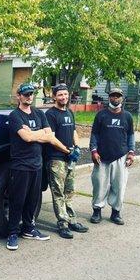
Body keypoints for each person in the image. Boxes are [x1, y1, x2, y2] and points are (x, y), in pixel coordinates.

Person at [6, 83, 70, 250]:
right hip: (21, 165)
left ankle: (28, 229)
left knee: (32, 201)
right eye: (26, 94)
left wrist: (34, 134)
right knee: (17, 200)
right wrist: (39, 134)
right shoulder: (15, 116)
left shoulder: (39, 113)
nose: (29, 97)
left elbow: (50, 136)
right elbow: (26, 138)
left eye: (31, 94)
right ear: (19, 96)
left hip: (37, 164)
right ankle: (12, 233)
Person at [45, 84, 89, 239]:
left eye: (65, 94)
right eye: (60, 95)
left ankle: (72, 220)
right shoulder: (50, 114)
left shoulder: (69, 112)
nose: (63, 97)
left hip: (70, 159)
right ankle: (62, 223)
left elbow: (74, 131)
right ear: (54, 97)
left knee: (69, 191)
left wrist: (77, 147)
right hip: (57, 159)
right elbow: (52, 138)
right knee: (58, 192)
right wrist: (67, 151)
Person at [89, 87, 135, 225]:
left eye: (118, 96)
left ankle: (116, 212)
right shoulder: (101, 115)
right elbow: (94, 134)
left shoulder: (127, 116)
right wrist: (94, 151)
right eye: (113, 96)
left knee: (119, 186)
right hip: (102, 157)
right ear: (109, 98)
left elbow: (131, 135)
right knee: (99, 185)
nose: (115, 98)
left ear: (122, 98)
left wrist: (131, 153)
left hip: (120, 156)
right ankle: (97, 211)